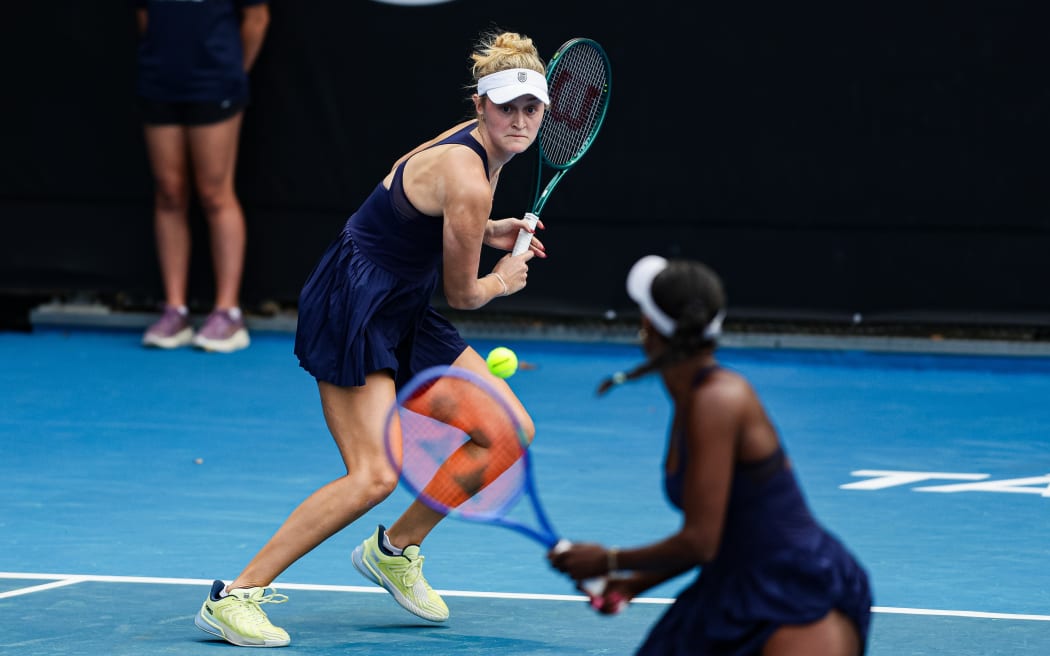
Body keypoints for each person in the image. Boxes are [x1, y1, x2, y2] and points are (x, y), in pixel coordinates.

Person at [193, 30, 550, 647]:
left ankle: (396, 549)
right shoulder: (469, 176)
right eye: (505, 107)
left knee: (506, 431)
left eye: (531, 108)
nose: (518, 121)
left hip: (401, 302)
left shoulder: (474, 157)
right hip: (354, 303)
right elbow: (464, 295)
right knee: (373, 476)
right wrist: (503, 278)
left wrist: (484, 228)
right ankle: (234, 596)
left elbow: (402, 194)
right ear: (479, 106)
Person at [548, 256, 873, 656]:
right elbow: (717, 537)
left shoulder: (716, 400)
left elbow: (700, 542)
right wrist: (635, 583)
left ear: (649, 328)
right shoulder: (691, 398)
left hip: (795, 591)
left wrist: (609, 561)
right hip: (733, 582)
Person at [135, 0, 270, 353]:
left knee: (214, 193)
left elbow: (257, 18)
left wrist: (231, 74)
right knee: (169, 192)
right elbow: (145, 17)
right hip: (158, 82)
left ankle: (228, 312)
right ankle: (174, 310)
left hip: (216, 84)